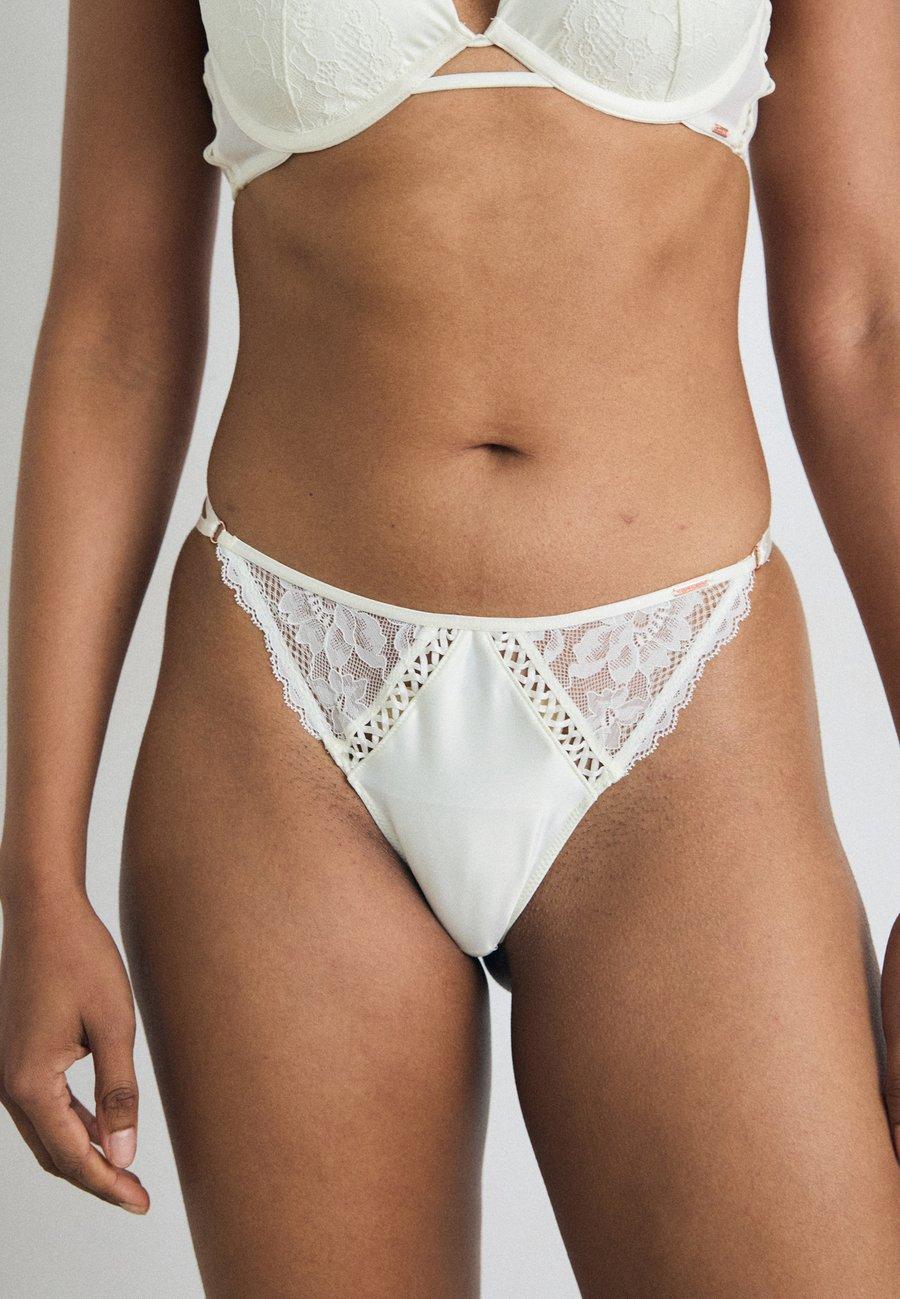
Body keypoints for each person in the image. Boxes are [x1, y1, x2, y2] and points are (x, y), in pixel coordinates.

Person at [1, 0, 899, 1293]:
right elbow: (114, 334)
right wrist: (38, 877)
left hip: (684, 712)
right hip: (283, 710)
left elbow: (868, 324)